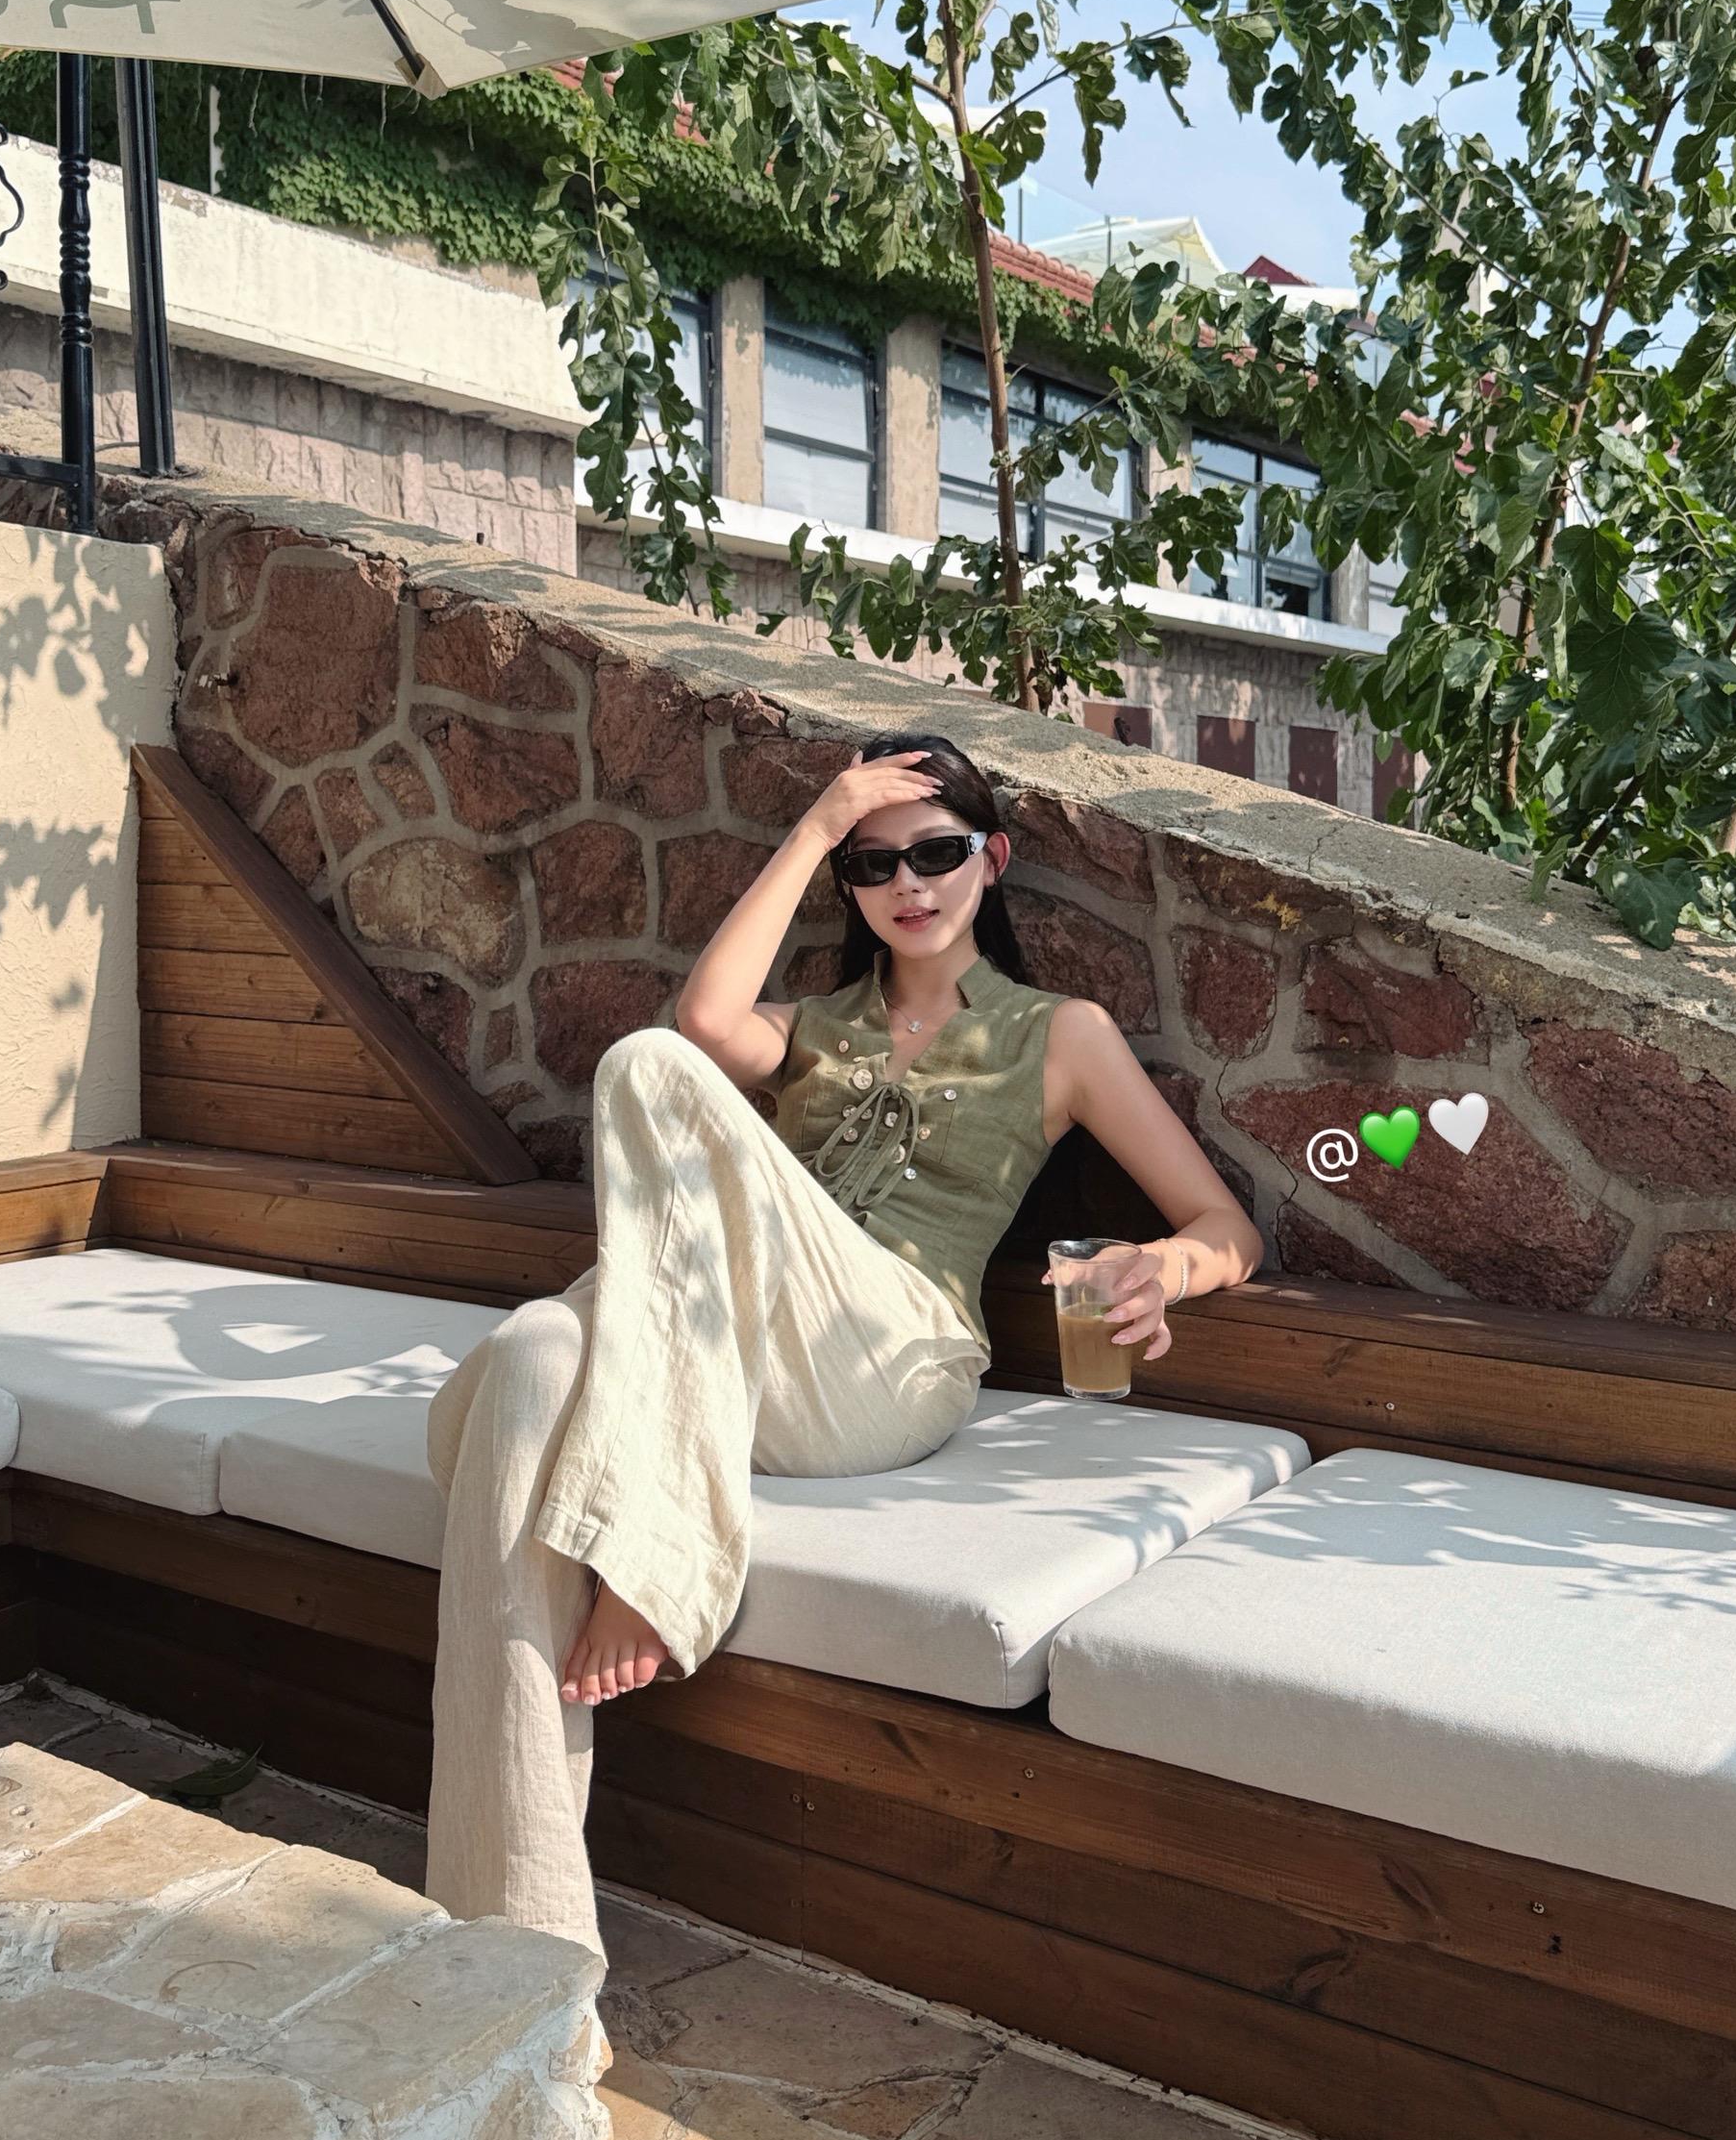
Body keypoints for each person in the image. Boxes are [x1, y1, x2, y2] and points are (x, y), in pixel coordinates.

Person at [424, 728, 1263, 1956]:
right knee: (531, 1360)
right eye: (873, 865)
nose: (908, 884)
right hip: (743, 1362)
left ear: (993, 860)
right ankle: (507, 1946)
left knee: (648, 1065)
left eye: (938, 853)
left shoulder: (1059, 1034)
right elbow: (714, 1015)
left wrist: (1165, 1270)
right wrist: (820, 820)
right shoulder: (818, 1025)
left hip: (890, 1363)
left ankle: (656, 1554)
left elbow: (1226, 1225)